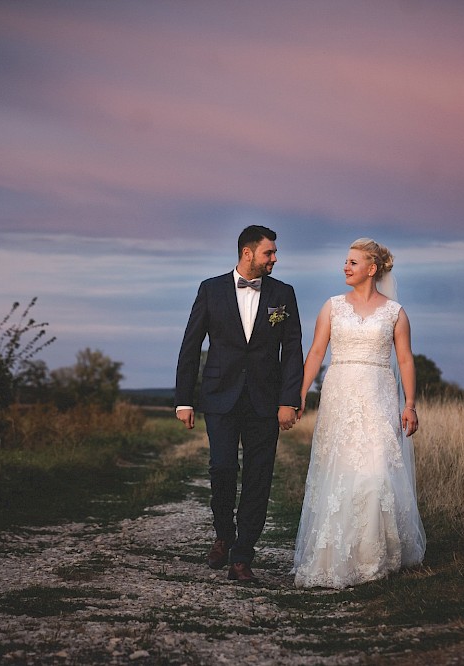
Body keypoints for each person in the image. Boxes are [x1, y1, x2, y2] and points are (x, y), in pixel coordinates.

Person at [293, 238, 426, 589]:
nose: (345, 267)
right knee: (340, 472)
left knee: (377, 472)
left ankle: (374, 557)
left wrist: (409, 404)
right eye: (345, 261)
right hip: (340, 395)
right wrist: (300, 392)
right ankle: (335, 555)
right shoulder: (332, 307)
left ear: (373, 268)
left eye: (353, 262)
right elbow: (317, 351)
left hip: (380, 398)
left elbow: (405, 360)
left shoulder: (395, 312)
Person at [175, 225, 304, 583]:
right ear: (248, 253)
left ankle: (243, 556)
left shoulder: (284, 294)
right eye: (269, 253)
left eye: (275, 253)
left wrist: (288, 401)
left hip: (265, 401)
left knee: (259, 478)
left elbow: (292, 351)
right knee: (222, 468)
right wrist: (184, 400)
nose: (275, 259)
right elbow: (190, 345)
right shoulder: (210, 289)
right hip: (220, 397)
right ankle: (223, 533)